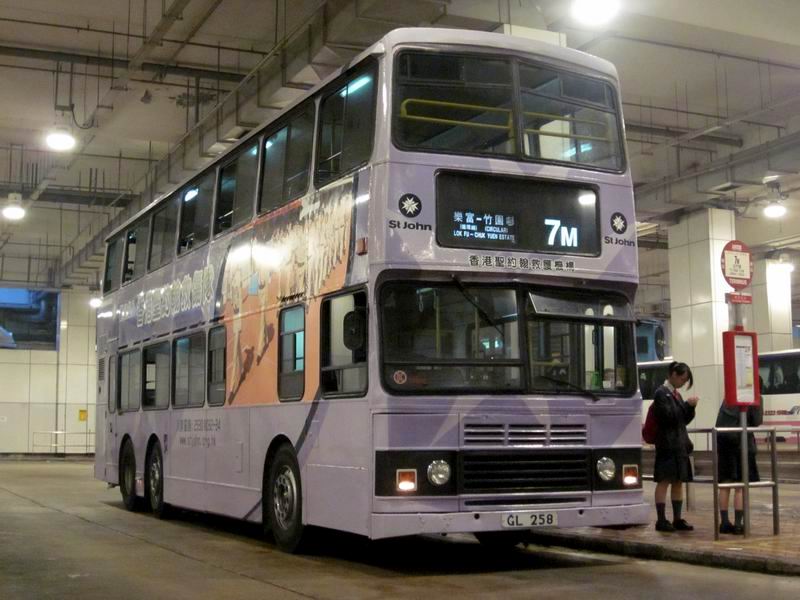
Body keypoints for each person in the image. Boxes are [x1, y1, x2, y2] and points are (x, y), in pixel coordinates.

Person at [653, 361, 699, 532]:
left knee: (678, 481)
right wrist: (686, 406)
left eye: (685, 381)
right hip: (667, 444)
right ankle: (661, 519)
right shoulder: (661, 393)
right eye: (682, 379)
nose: (682, 383)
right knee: (664, 481)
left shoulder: (676, 395)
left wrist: (691, 408)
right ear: (673, 374)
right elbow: (668, 417)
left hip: (679, 444)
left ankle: (677, 518)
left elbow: (682, 419)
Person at [716, 401, 763, 534]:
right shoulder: (753, 397)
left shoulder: (728, 398)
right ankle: (738, 524)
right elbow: (756, 421)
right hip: (743, 444)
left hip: (725, 445)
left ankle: (724, 522)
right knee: (740, 487)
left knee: (725, 485)